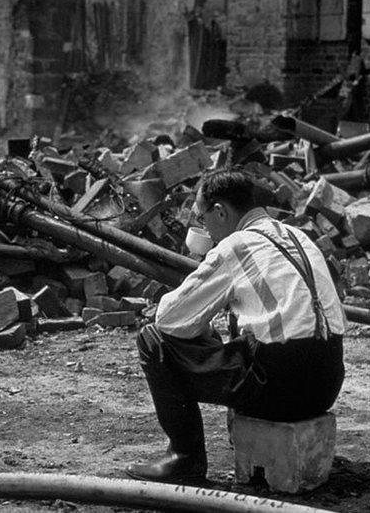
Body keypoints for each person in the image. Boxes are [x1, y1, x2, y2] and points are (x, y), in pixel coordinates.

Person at [126, 170, 346, 484]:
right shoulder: (298, 236)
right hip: (326, 384)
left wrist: (205, 266)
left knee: (154, 340)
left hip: (282, 389)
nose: (205, 228)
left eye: (203, 219)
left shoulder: (235, 247)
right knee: (232, 330)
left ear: (221, 212)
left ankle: (183, 458)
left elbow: (170, 319)